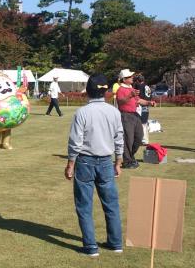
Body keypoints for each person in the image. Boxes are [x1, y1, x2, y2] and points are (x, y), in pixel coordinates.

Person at [65, 73, 124, 257]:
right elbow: (119, 138)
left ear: (88, 91)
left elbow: (76, 141)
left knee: (84, 205)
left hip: (85, 161)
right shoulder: (114, 111)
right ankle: (115, 243)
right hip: (106, 161)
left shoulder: (82, 112)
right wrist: (119, 161)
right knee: (111, 204)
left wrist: (70, 164)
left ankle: (91, 246)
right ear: (106, 91)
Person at [116, 69, 155, 169]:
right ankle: (127, 161)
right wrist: (130, 95)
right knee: (128, 139)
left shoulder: (131, 88)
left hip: (134, 114)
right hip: (125, 115)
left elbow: (138, 100)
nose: (132, 77)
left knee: (139, 137)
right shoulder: (121, 89)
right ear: (124, 79)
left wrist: (148, 103)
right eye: (130, 76)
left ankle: (130, 157)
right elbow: (120, 102)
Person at [134, 74, 152, 145]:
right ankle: (145, 139)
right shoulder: (147, 86)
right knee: (144, 123)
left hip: (141, 106)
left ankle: (143, 140)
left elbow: (138, 97)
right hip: (147, 105)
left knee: (140, 124)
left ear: (138, 80)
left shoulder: (139, 86)